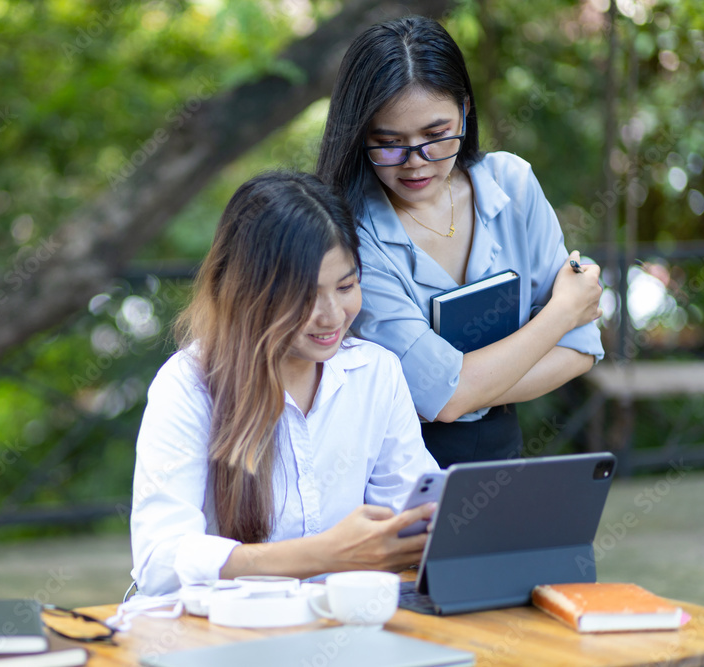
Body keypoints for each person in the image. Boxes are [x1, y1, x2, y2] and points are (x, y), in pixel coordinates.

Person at [129, 172, 440, 596]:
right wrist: (325, 554)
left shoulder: (375, 373)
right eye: (305, 296)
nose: (332, 315)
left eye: (347, 286)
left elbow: (415, 513)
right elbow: (159, 562)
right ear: (248, 292)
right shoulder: (189, 385)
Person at [316, 16, 604, 468]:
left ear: (465, 111)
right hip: (392, 467)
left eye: (436, 137)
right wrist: (564, 310)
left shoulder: (513, 184)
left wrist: (463, 391)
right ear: (358, 135)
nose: (416, 163)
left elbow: (580, 350)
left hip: (501, 451)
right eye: (389, 143)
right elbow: (445, 397)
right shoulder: (349, 235)